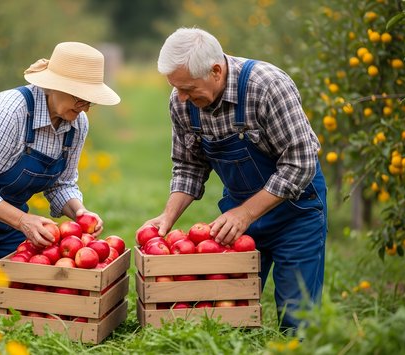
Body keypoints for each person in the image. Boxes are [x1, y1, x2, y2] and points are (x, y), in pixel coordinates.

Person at [139, 27, 327, 332]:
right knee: (227, 314)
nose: (181, 97)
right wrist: (166, 218)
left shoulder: (267, 87)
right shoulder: (182, 103)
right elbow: (189, 167)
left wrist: (246, 212)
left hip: (297, 213)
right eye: (176, 88)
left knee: (299, 317)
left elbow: (301, 162)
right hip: (238, 213)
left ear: (215, 71)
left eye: (187, 88)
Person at [0, 42, 120, 279]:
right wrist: (22, 221)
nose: (85, 108)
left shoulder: (77, 124)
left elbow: (62, 183)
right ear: (53, 87)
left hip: (8, 217)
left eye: (90, 101)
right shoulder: (11, 111)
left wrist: (80, 212)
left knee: (23, 296)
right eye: (80, 99)